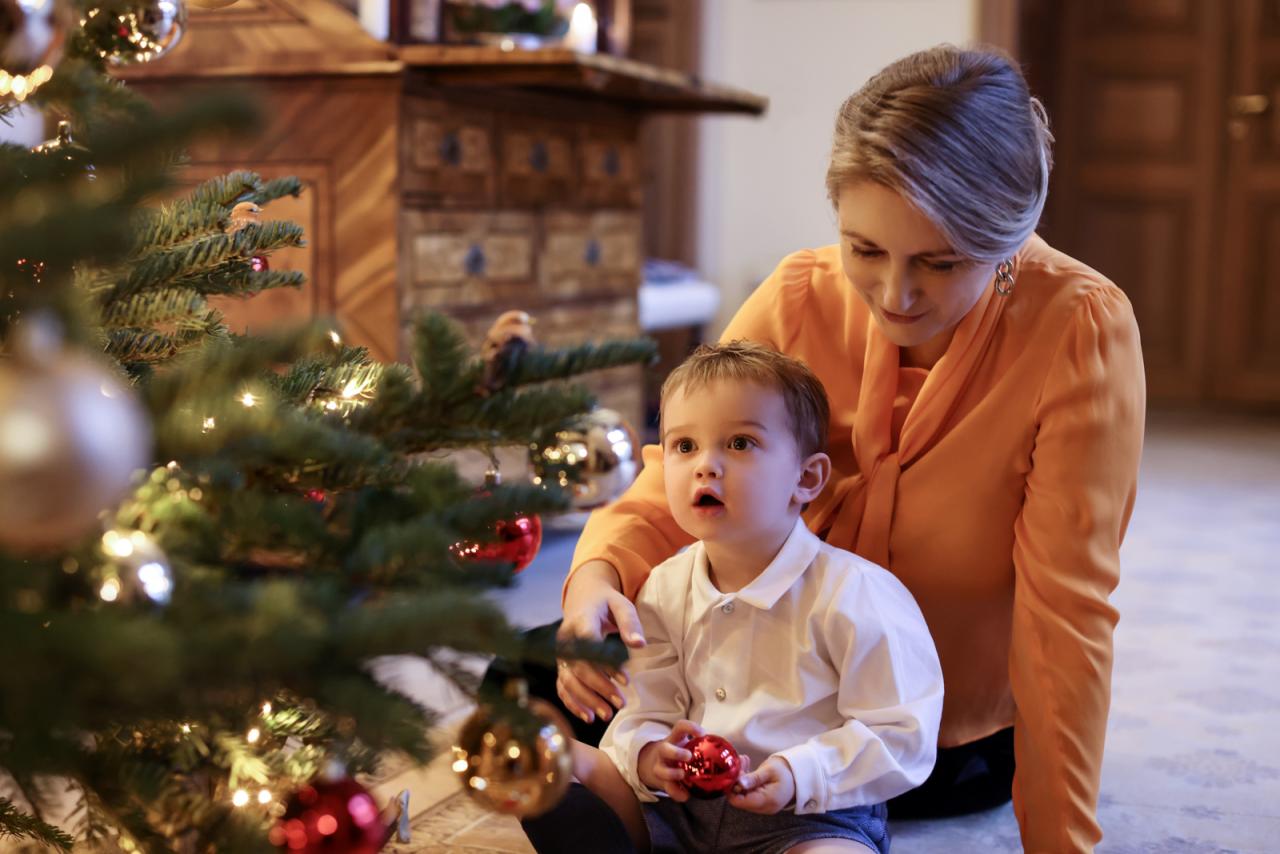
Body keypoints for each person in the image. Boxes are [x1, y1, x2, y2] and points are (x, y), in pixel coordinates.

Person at [521, 43, 1146, 854]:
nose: (895, 295)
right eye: (865, 250)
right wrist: (596, 581)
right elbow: (683, 473)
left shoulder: (1078, 329)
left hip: (916, 739)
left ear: (1007, 242)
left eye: (940, 262)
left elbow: (1067, 615)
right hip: (725, 693)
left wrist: (1060, 842)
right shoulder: (796, 295)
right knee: (532, 679)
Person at [562, 341, 944, 853]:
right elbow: (644, 707)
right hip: (679, 811)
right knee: (562, 762)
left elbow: (903, 735)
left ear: (806, 478)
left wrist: (797, 774)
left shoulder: (856, 594)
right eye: (684, 446)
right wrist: (652, 754)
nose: (706, 466)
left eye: (740, 444)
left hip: (808, 818)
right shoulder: (664, 587)